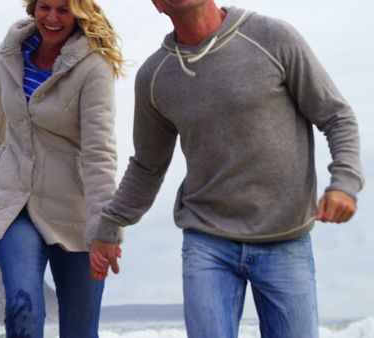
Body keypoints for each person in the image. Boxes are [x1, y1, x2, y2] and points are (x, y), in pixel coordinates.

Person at [88, 1, 364, 338]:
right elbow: (147, 165)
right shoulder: (155, 76)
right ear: (157, 4)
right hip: (207, 241)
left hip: (285, 237)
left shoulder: (272, 37)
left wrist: (345, 181)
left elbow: (337, 116)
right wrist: (110, 225)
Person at [0, 0, 124, 336]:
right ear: (33, 8)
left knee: (80, 331)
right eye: (45, 7)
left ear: (78, 12)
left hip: (74, 211)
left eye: (63, 10)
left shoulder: (94, 67)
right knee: (24, 307)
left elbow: (99, 151)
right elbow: (1, 106)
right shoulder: (12, 48)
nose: (52, 18)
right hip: (14, 200)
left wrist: (106, 228)